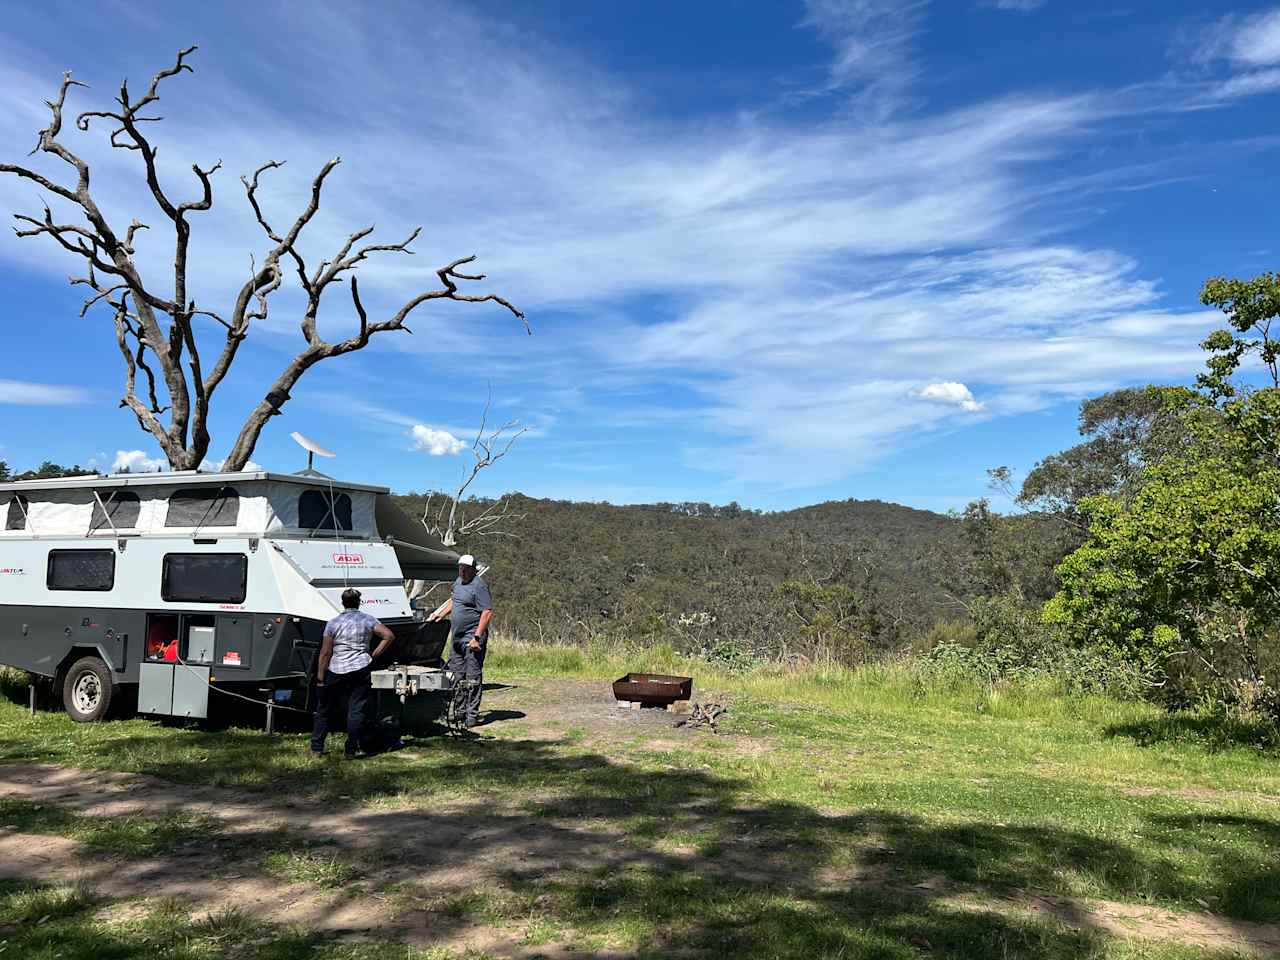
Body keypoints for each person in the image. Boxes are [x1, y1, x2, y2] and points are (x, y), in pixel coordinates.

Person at [310, 587, 395, 758]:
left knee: (325, 709)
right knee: (356, 710)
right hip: (361, 667)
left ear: (342, 603)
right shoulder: (368, 620)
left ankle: (316, 748)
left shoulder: (333, 623)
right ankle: (350, 750)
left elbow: (326, 652)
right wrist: (373, 655)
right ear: (359, 602)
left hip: (336, 669)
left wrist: (320, 675)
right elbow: (389, 635)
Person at [428, 554, 492, 727]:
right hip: (457, 639)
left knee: (472, 676)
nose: (462, 571)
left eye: (466, 569)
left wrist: (477, 637)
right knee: (456, 675)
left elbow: (487, 612)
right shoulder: (458, 582)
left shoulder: (479, 586)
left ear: (473, 569)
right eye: (460, 568)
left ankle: (472, 715)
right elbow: (454, 601)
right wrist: (440, 614)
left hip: (472, 638)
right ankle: (459, 711)